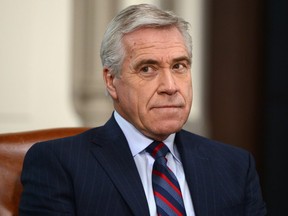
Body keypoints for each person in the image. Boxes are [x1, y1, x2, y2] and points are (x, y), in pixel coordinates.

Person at [19, 4, 266, 216]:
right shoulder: (59, 163)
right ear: (111, 80)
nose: (170, 87)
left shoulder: (234, 166)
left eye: (179, 66)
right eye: (147, 69)